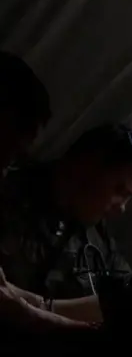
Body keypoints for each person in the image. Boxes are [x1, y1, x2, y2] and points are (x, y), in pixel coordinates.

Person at [0, 123, 132, 357]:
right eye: (119, 191)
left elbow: (127, 298)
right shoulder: (10, 199)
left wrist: (43, 306)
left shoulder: (95, 233)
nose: (121, 208)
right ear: (85, 168)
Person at [0, 51, 94, 333]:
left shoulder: (93, 236)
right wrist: (87, 334)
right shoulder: (18, 204)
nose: (6, 167)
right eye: (7, 149)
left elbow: (12, 296)